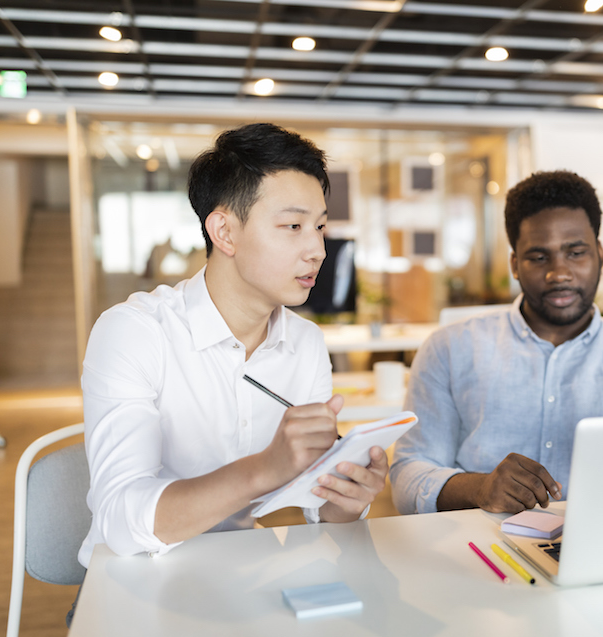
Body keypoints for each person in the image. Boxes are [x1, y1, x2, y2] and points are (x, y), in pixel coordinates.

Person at [79, 123, 389, 571]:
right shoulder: (134, 332)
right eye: (293, 225)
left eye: (320, 226)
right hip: (134, 579)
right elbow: (120, 520)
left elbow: (315, 508)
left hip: (243, 576)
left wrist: (346, 499)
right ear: (224, 232)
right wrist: (263, 469)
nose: (317, 249)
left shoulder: (305, 343)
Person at [391, 170, 603, 515]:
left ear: (600, 254)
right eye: (539, 257)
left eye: (576, 253)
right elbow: (409, 473)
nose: (559, 272)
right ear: (515, 263)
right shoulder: (450, 349)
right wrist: (480, 487)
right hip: (479, 553)